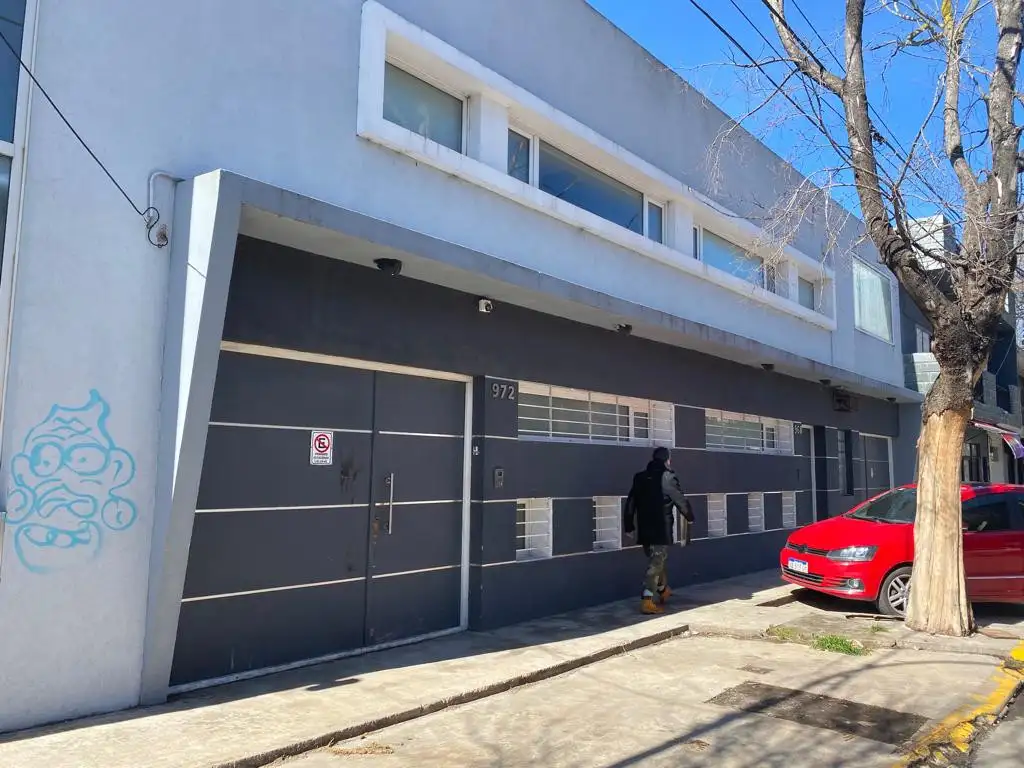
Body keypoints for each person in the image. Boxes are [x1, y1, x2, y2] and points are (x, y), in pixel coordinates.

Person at [625, 446, 694, 615]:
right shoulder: (668, 477)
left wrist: (629, 525)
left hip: (644, 528)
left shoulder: (640, 477)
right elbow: (680, 499)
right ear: (667, 460)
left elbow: (631, 501)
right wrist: (689, 516)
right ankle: (647, 600)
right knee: (656, 564)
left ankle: (663, 590)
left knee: (657, 560)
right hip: (660, 529)